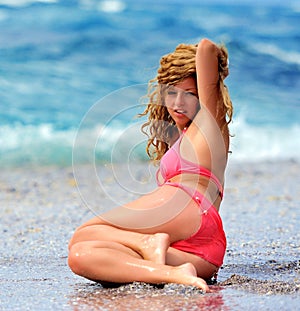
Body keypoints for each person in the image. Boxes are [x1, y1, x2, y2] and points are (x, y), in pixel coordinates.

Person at [68, 38, 233, 292]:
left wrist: (219, 66)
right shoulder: (183, 137)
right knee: (81, 254)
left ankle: (147, 243)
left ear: (203, 95)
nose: (178, 103)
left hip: (190, 207)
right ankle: (172, 273)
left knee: (85, 231)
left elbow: (206, 47)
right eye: (171, 92)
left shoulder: (207, 126)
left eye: (189, 94)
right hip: (203, 253)